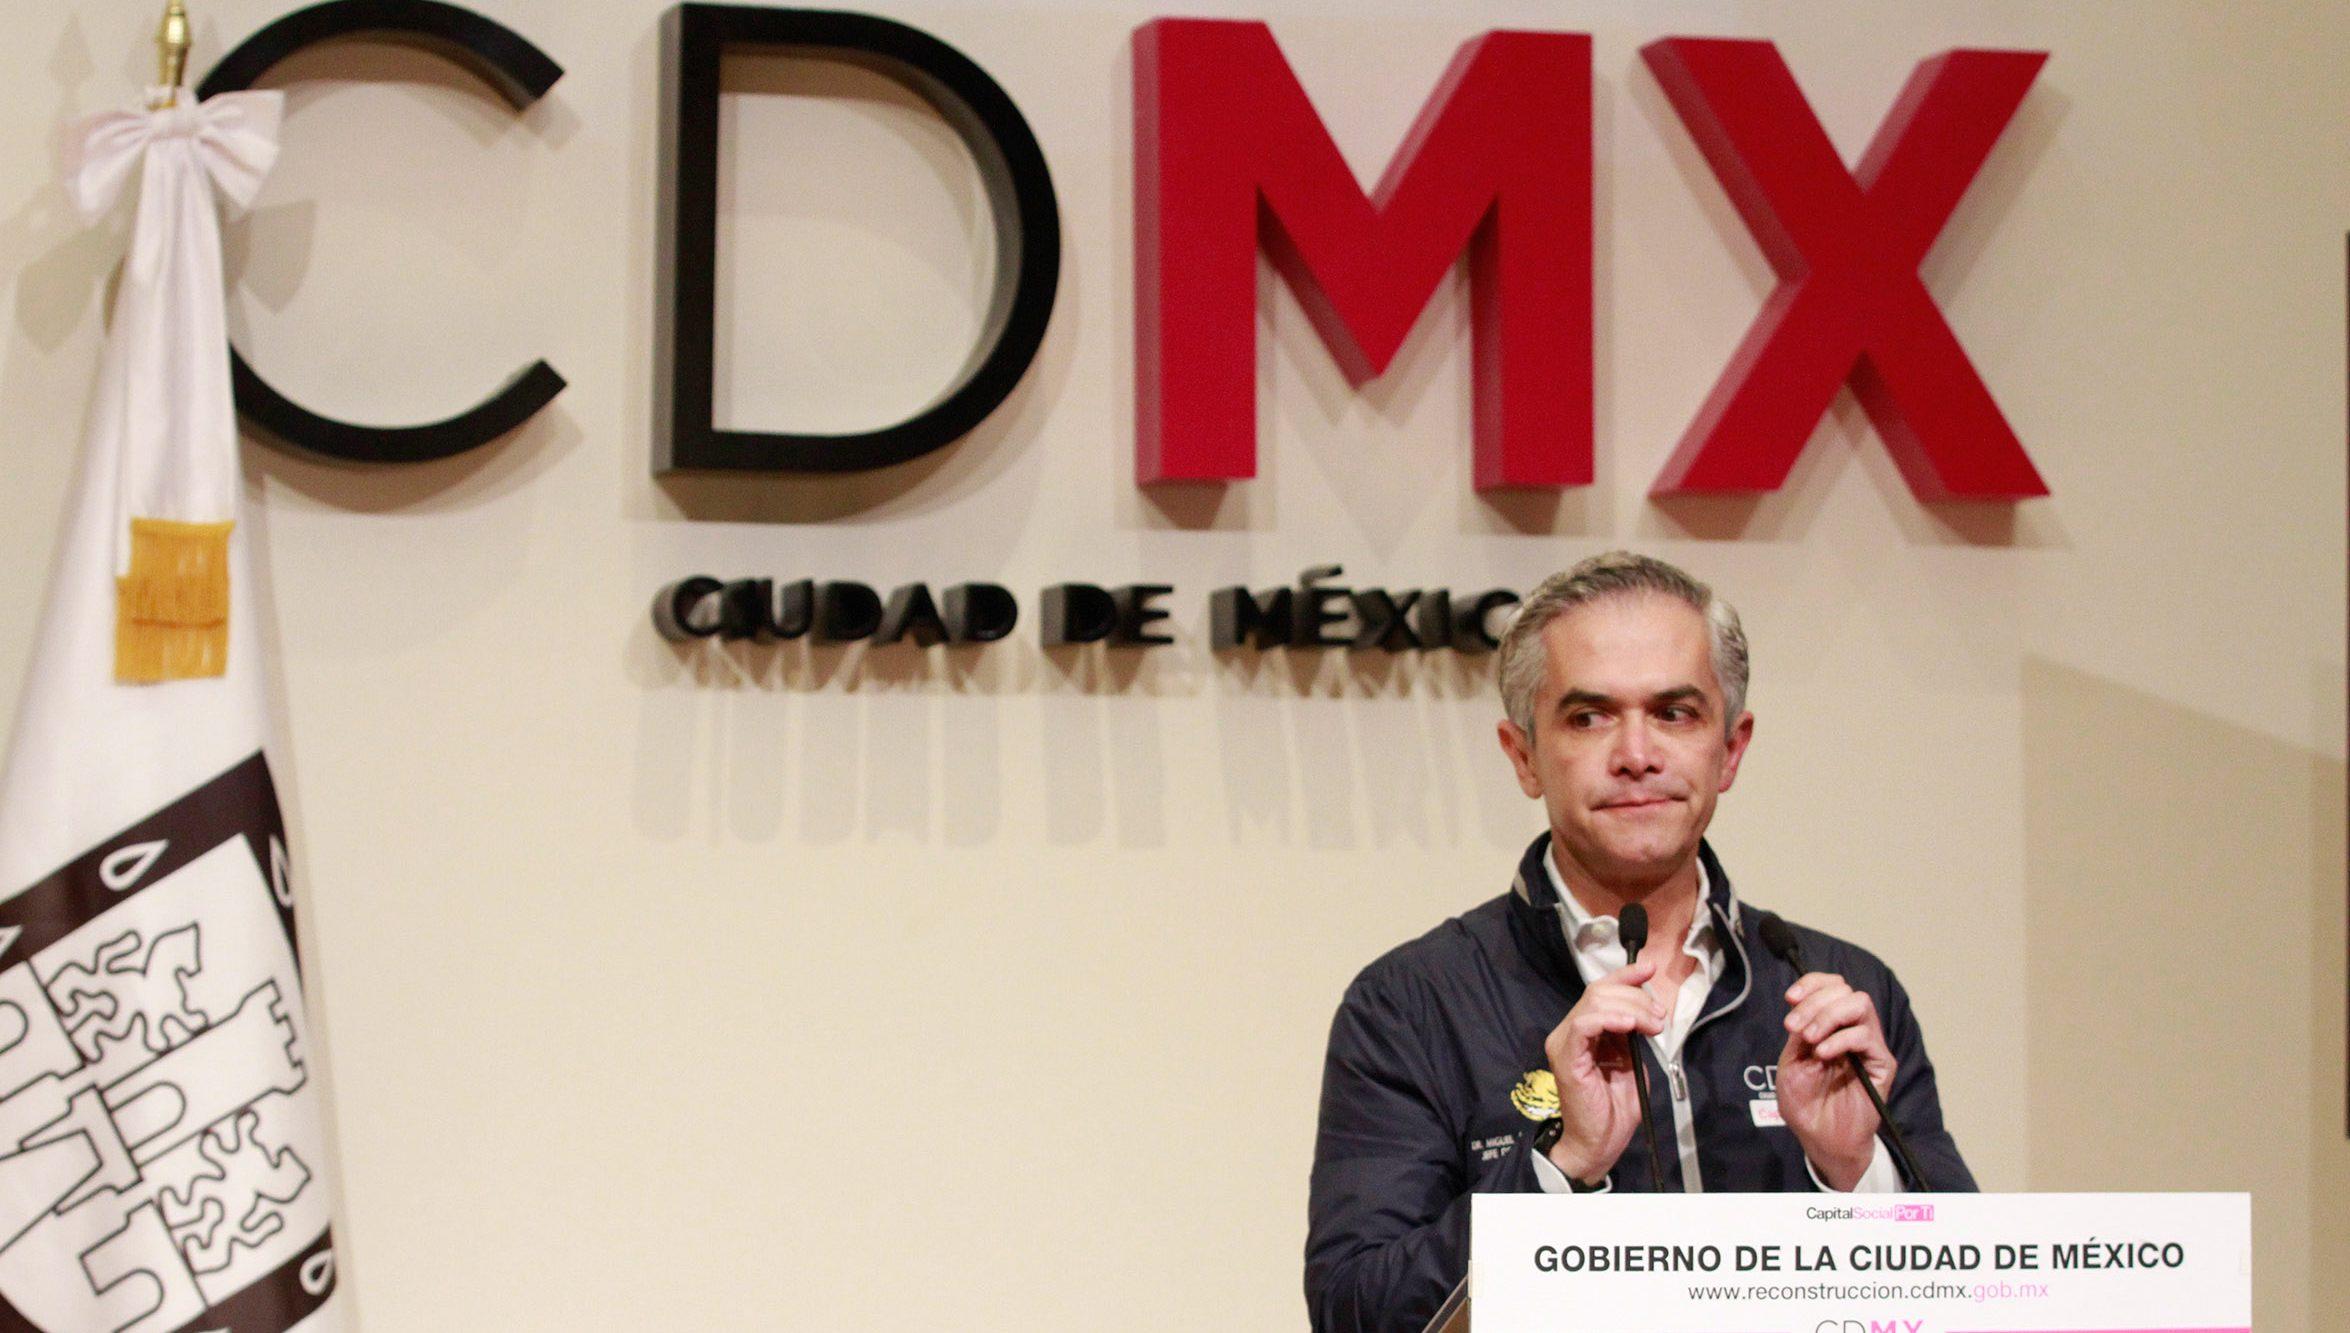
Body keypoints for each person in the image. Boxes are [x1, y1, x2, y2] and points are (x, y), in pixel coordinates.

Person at [1303, 552, 1974, 1332]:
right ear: (1523, 755)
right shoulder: (1412, 1003)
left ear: (1731, 748)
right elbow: (1356, 1311)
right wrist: (1559, 1168)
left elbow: (1985, 1290)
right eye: (1589, 716)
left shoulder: (1844, 987)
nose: (1636, 754)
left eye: (1675, 713)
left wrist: (1854, 1170)